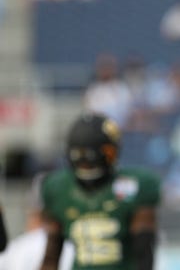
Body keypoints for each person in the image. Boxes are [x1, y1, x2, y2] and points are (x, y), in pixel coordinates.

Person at [39, 113, 161, 270]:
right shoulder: (57, 187)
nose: (86, 164)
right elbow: (51, 256)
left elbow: (143, 254)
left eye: (90, 158)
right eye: (81, 158)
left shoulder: (134, 185)